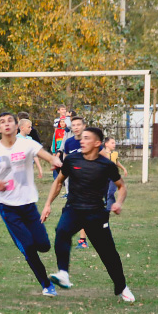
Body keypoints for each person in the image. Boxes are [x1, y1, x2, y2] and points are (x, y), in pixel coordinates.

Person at [41, 127, 135, 302]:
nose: (81, 141)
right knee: (62, 231)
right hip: (73, 209)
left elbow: (122, 187)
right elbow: (59, 182)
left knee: (108, 254)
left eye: (86, 138)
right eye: (81, 138)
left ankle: (122, 287)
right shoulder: (72, 160)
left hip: (96, 213)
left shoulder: (106, 165)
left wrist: (118, 203)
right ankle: (63, 273)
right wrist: (47, 205)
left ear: (97, 143)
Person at [0, 112, 63, 297]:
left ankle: (31, 248)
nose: (7, 124)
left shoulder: (27, 143)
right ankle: (47, 285)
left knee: (44, 245)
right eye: (2, 122)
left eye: (10, 121)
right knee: (29, 248)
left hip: (29, 205)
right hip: (8, 207)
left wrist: (55, 160)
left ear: (17, 126)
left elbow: (46, 156)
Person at [63, 116, 89, 249]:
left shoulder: (90, 140)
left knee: (86, 212)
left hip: (89, 183)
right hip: (73, 183)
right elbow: (66, 161)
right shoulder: (68, 143)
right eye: (74, 125)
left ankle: (83, 239)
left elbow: (102, 158)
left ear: (84, 126)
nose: (76, 127)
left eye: (79, 124)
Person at [103, 137, 128, 211]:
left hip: (113, 176)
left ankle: (109, 209)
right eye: (112, 143)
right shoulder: (102, 153)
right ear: (106, 144)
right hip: (104, 176)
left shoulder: (115, 154)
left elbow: (116, 162)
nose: (114, 145)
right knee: (105, 193)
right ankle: (109, 203)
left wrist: (124, 169)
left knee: (111, 193)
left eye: (115, 143)